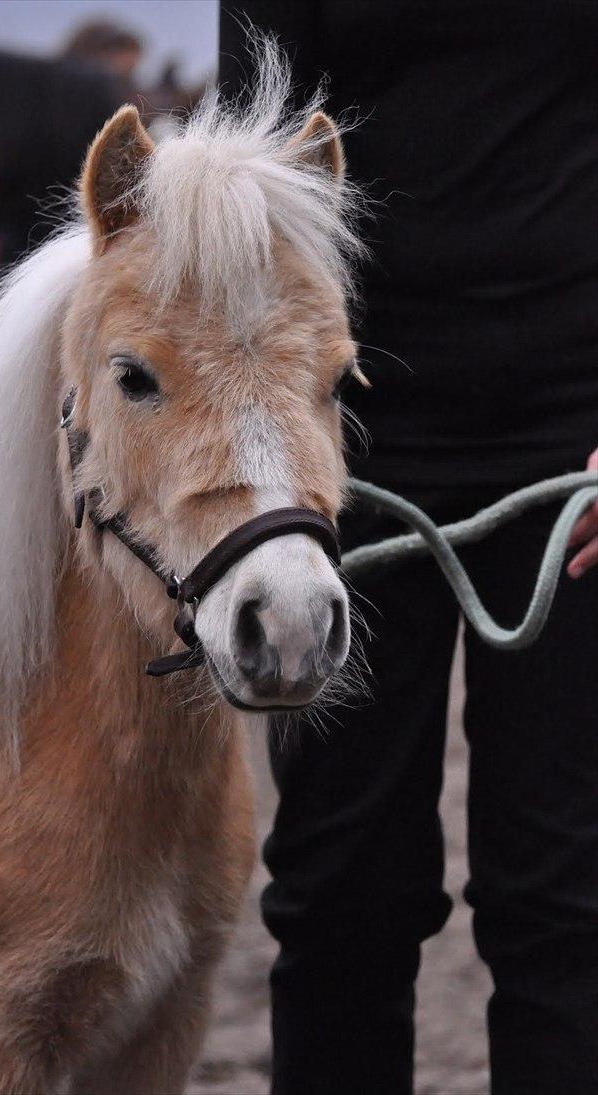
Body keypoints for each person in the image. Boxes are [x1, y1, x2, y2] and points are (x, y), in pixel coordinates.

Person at [219, 4, 598, 1093]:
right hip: (345, 447)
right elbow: (252, 162)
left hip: (572, 443)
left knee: (561, 892)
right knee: (338, 888)